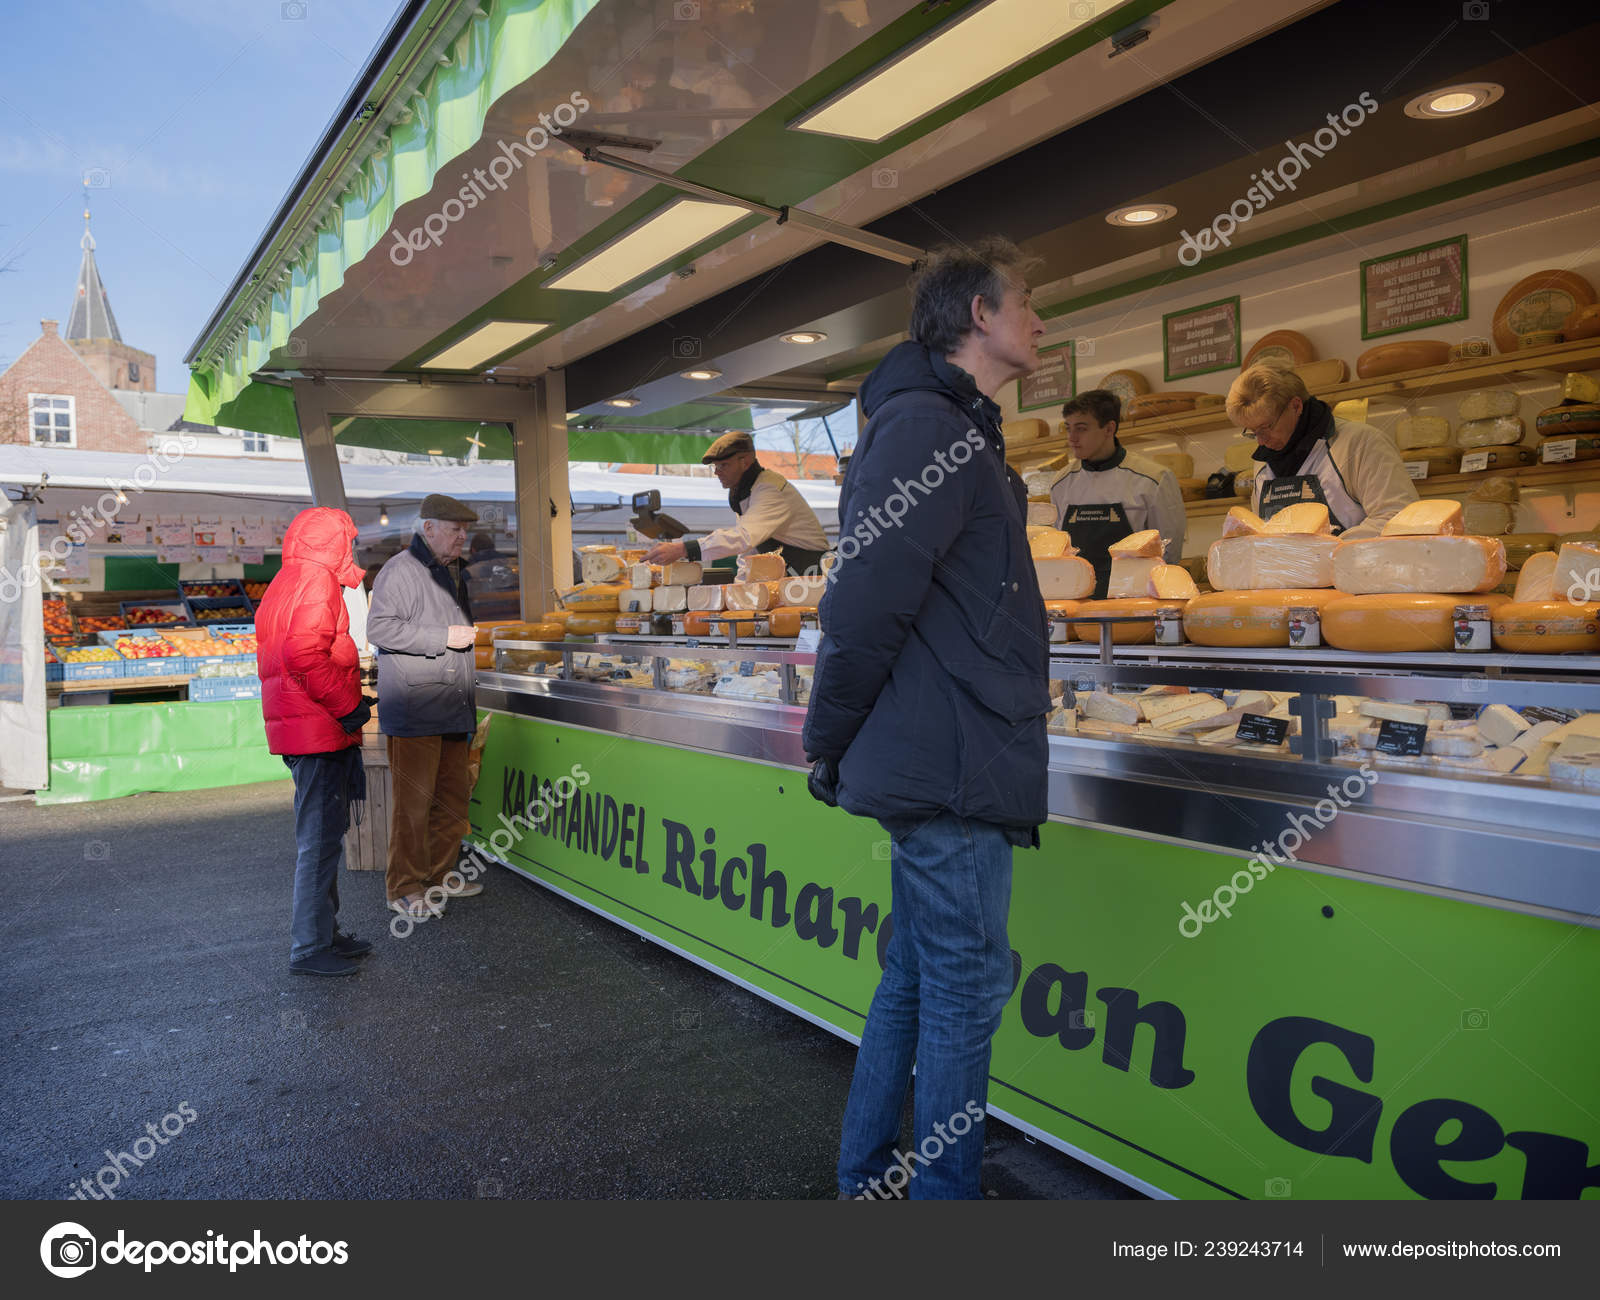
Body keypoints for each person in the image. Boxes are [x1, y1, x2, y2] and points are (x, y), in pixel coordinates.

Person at [802, 236, 1050, 1200]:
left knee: (915, 976)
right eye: (1025, 301)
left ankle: (866, 1178)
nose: (1040, 319)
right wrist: (827, 739)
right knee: (966, 988)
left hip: (952, 748)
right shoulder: (928, 428)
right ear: (978, 315)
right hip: (953, 764)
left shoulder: (952, 425)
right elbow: (865, 603)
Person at [254, 506, 376, 977]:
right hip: (318, 728)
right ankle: (309, 947)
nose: (352, 549)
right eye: (348, 540)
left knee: (322, 835)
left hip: (301, 726)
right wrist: (347, 706)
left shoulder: (287, 578)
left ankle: (325, 932)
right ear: (333, 542)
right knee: (320, 840)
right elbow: (303, 654)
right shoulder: (318, 580)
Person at [367, 493, 484, 921]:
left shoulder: (450, 571)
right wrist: (443, 638)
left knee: (452, 800)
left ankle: (436, 879)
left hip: (450, 704)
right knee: (413, 807)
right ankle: (403, 888)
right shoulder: (400, 570)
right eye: (455, 529)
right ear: (428, 528)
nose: (462, 537)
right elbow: (379, 629)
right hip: (416, 707)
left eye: (465, 530)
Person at [1227, 363, 1418, 535]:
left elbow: (1398, 518)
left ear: (1295, 406)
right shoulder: (1263, 464)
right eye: (1253, 432)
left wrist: (1330, 551)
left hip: (1358, 564)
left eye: (1266, 427)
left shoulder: (1361, 443)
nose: (1261, 441)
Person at [1048, 389, 1186, 597]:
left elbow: (1170, 554)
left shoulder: (1153, 479)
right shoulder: (1061, 483)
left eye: (1081, 429)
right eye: (1069, 428)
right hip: (1076, 600)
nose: (1072, 438)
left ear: (1109, 428)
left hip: (1134, 601)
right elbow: (1060, 552)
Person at [642, 432, 830, 575]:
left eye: (723, 465)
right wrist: (739, 590)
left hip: (809, 574)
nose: (717, 472)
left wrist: (683, 549)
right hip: (791, 576)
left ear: (745, 462)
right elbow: (748, 552)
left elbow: (743, 537)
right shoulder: (746, 492)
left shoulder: (769, 489)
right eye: (716, 467)